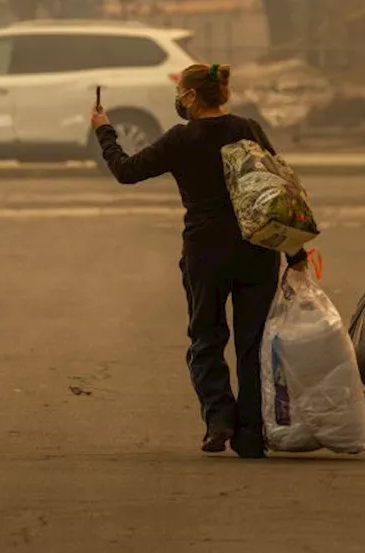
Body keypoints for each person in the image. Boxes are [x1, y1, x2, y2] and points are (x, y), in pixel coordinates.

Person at [91, 63, 307, 458]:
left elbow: (126, 171)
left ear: (191, 96)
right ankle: (250, 434)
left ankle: (218, 416)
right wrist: (295, 252)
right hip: (255, 248)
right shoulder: (247, 129)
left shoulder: (180, 139)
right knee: (253, 342)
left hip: (205, 250)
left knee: (206, 335)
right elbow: (279, 189)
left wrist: (104, 130)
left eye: (181, 93)